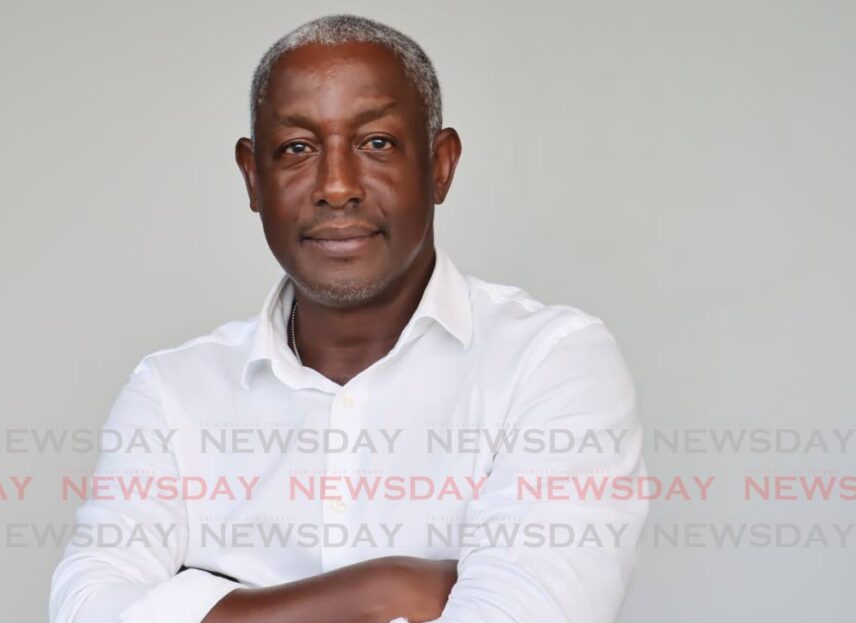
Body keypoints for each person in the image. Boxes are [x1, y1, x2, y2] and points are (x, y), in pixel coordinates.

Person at [50, 14, 647, 623]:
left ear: (440, 165)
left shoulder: (550, 363)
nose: (336, 187)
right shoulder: (172, 392)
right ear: (253, 177)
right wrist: (382, 590)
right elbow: (87, 607)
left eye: (377, 143)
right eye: (298, 149)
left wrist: (207, 602)